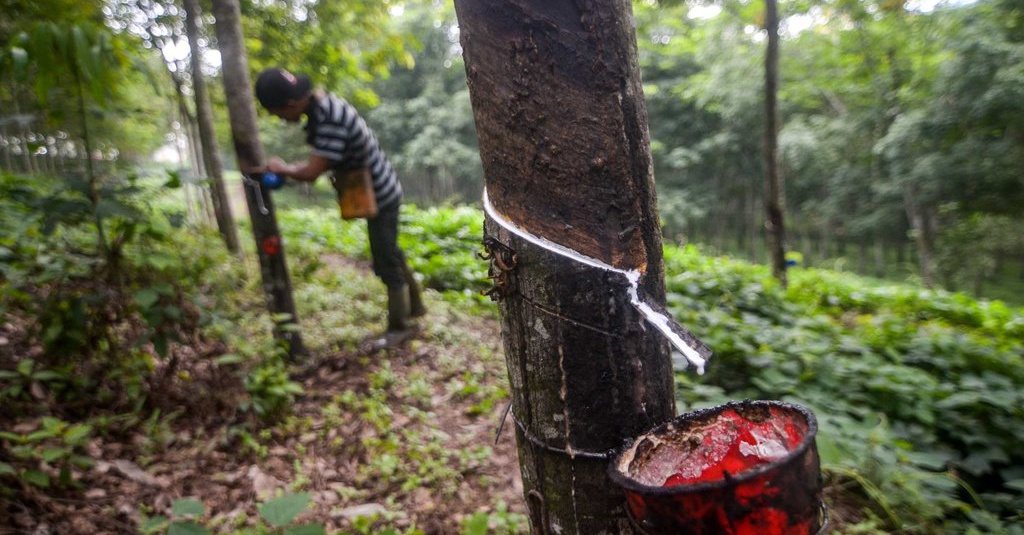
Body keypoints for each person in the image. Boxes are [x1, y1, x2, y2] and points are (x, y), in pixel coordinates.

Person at [254, 67, 425, 345]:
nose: (279, 119)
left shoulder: (329, 119)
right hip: (380, 188)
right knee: (390, 251)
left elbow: (311, 172)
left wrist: (281, 168)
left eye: (277, 113)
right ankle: (415, 307)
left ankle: (400, 326)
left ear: (291, 104)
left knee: (385, 261)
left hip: (380, 195)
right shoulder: (322, 105)